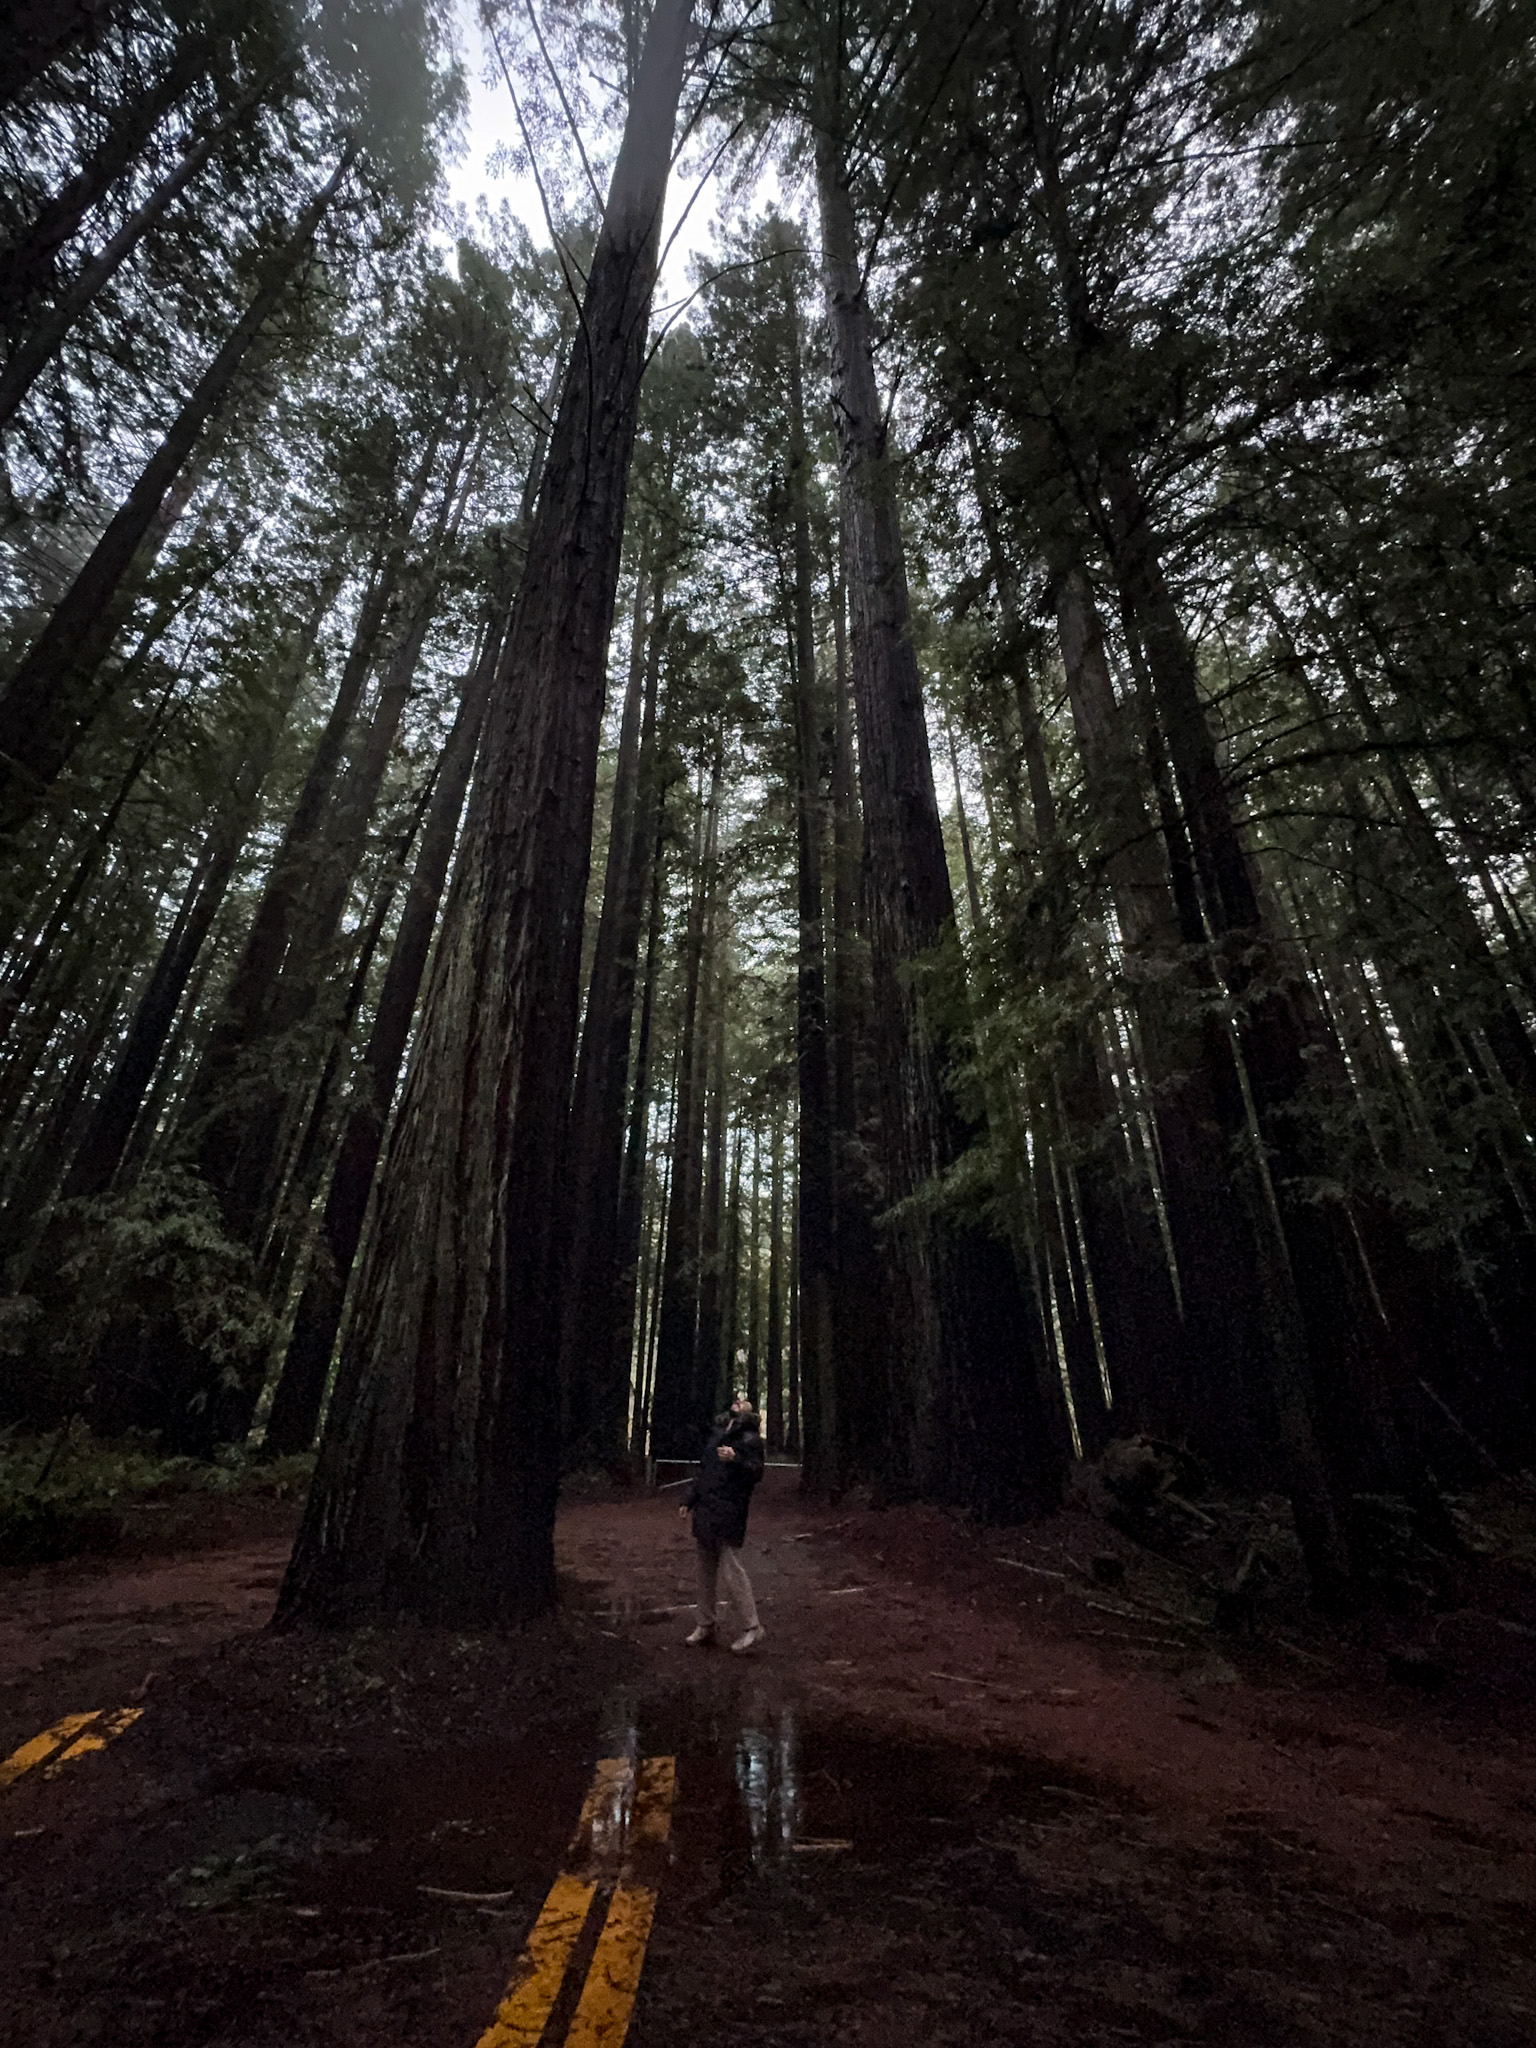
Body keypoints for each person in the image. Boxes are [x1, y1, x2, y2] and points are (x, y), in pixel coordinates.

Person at [680, 1393, 765, 1653]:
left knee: (732, 1569)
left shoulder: (750, 1439)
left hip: (730, 1511)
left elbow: (757, 1471)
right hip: (706, 1510)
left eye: (744, 1401)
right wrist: (689, 1500)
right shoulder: (717, 1432)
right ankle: (705, 1624)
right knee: (704, 1569)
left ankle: (753, 1627)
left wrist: (736, 1459)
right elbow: (704, 1471)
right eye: (736, 1400)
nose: (738, 1401)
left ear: (749, 1412)